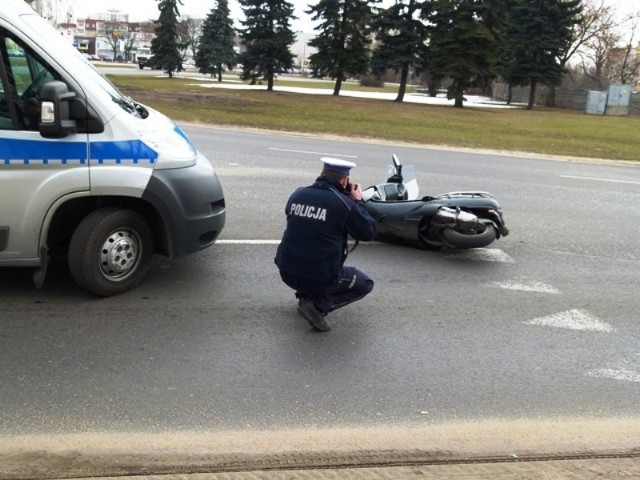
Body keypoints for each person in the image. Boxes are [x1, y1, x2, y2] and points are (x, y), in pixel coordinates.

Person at [275, 157, 377, 332]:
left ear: (321, 174)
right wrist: (358, 201)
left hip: (286, 271)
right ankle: (317, 306)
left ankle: (305, 296)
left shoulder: (297, 194)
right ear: (344, 180)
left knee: (310, 249)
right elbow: (367, 232)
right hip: (321, 277)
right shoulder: (346, 204)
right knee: (365, 283)